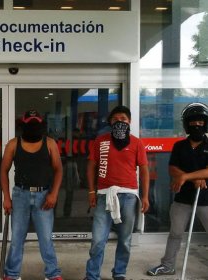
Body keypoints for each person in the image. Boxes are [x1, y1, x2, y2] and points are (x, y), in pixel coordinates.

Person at [83, 105, 149, 280]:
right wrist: (91, 191)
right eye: (116, 120)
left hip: (128, 196)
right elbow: (91, 166)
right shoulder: (101, 141)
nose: (120, 122)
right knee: (98, 240)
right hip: (104, 195)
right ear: (110, 122)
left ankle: (119, 272)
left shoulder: (136, 142)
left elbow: (144, 170)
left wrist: (145, 196)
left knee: (125, 240)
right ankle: (92, 275)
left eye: (124, 120)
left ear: (130, 122)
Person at [0, 109, 64, 280]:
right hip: (20, 195)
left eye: (37, 124)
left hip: (44, 195)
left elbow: (58, 170)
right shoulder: (13, 144)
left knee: (45, 238)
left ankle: (52, 273)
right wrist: (6, 197)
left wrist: (54, 194)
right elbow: (3, 171)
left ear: (41, 125)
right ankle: (12, 274)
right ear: (23, 125)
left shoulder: (49, 143)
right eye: (30, 124)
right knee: (17, 238)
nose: (34, 127)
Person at [147, 102, 208, 277]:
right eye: (193, 122)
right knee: (175, 233)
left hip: (206, 200)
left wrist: (185, 177)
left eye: (200, 122)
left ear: (205, 123)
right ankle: (167, 266)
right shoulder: (179, 146)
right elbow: (172, 169)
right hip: (182, 199)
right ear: (186, 124)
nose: (197, 125)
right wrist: (196, 177)